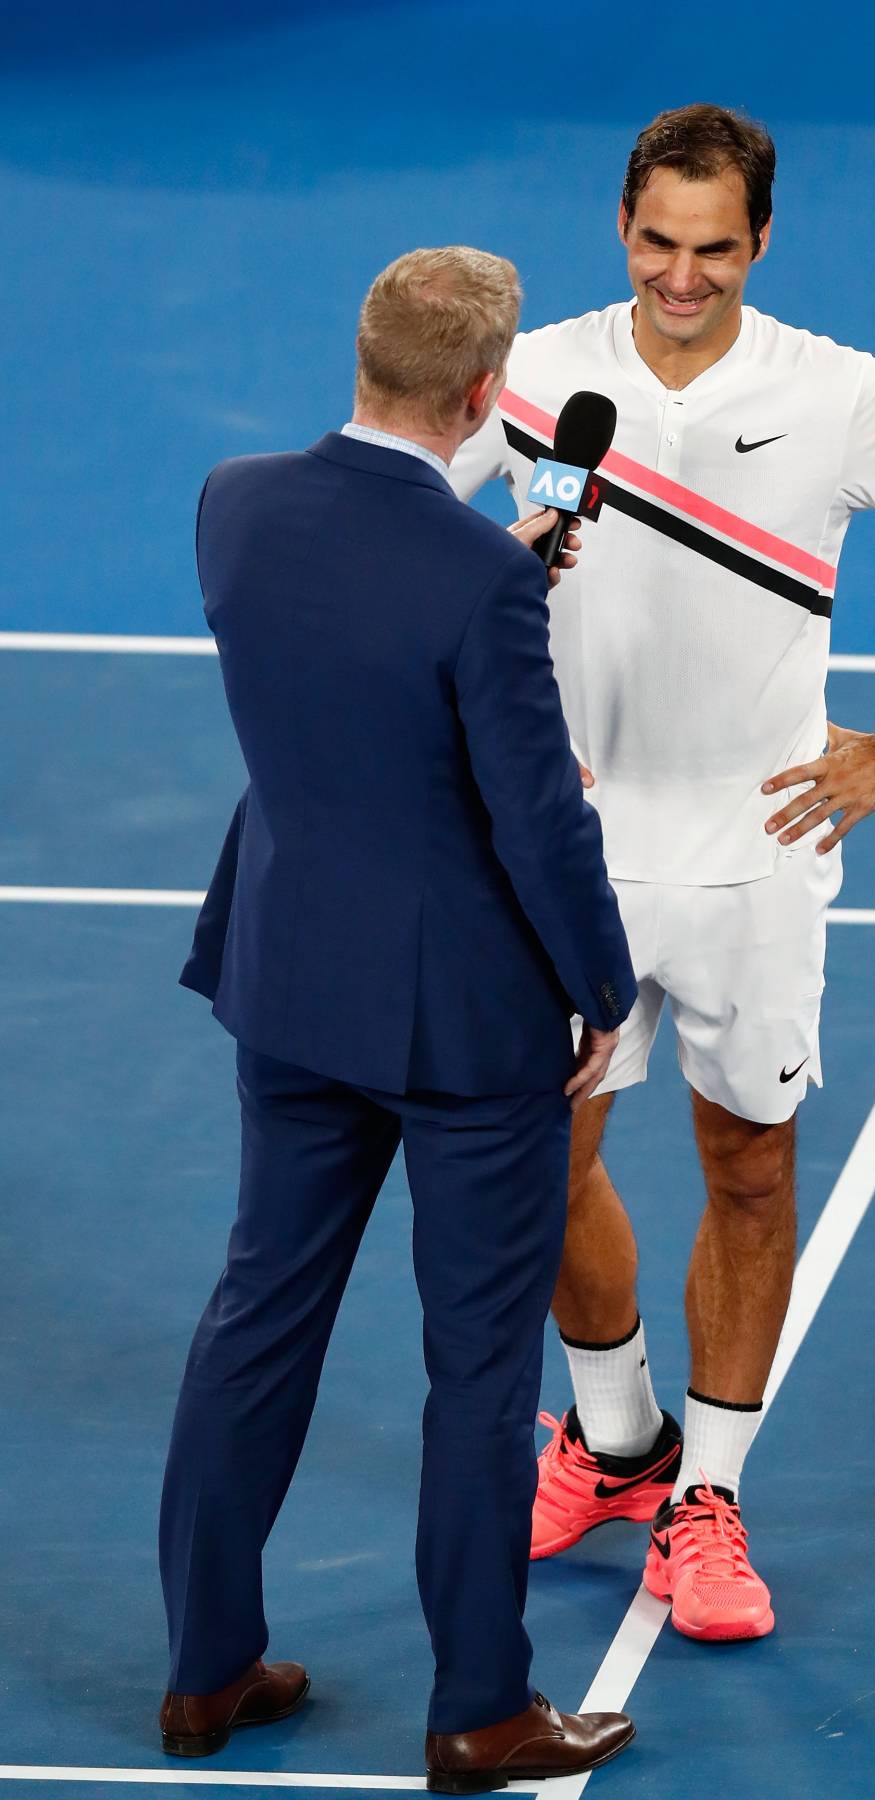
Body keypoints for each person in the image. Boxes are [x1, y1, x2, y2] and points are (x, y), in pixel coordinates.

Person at [450, 104, 875, 1643]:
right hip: (566, 842)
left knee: (749, 1167)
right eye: (658, 241)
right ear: (621, 226)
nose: (681, 274)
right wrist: (488, 582)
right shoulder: (532, 376)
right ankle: (611, 1436)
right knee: (539, 1167)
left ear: (761, 243)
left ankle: (706, 1495)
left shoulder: (837, 393)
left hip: (756, 855)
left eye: (715, 248)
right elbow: (404, 539)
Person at [158, 246, 640, 1793]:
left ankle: (205, 1671)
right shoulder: (481, 580)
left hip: (291, 984)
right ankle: (483, 1709)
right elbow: (535, 823)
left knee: (256, 1321)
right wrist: (602, 987)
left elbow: (354, 655)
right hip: (460, 1028)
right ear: (493, 396)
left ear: (364, 354)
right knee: (479, 1371)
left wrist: (492, 576)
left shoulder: (235, 502)